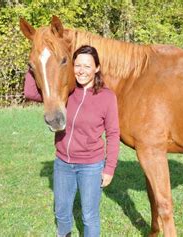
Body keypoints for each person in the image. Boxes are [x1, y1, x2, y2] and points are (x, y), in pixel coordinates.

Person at [24, 45, 120, 237]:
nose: (81, 70)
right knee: (61, 213)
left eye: (87, 66)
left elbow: (113, 134)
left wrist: (109, 168)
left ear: (97, 68)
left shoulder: (107, 97)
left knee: (89, 216)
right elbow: (30, 93)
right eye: (77, 65)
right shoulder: (66, 92)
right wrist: (34, 61)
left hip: (91, 166)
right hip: (63, 164)